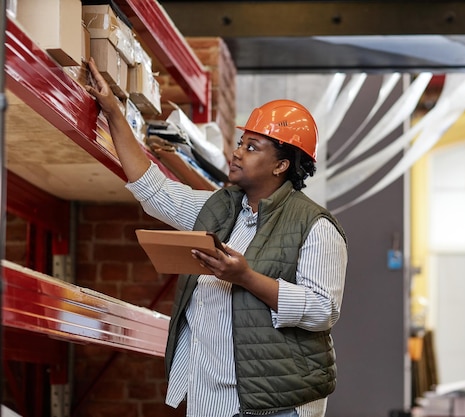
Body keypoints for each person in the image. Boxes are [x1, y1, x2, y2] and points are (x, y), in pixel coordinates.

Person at [85, 58, 348, 417]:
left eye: (253, 147)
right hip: (212, 396)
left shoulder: (315, 225)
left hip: (278, 403)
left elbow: (322, 311)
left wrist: (246, 277)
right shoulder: (218, 209)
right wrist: (113, 113)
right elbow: (154, 190)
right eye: (241, 142)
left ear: (281, 165)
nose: (237, 152)